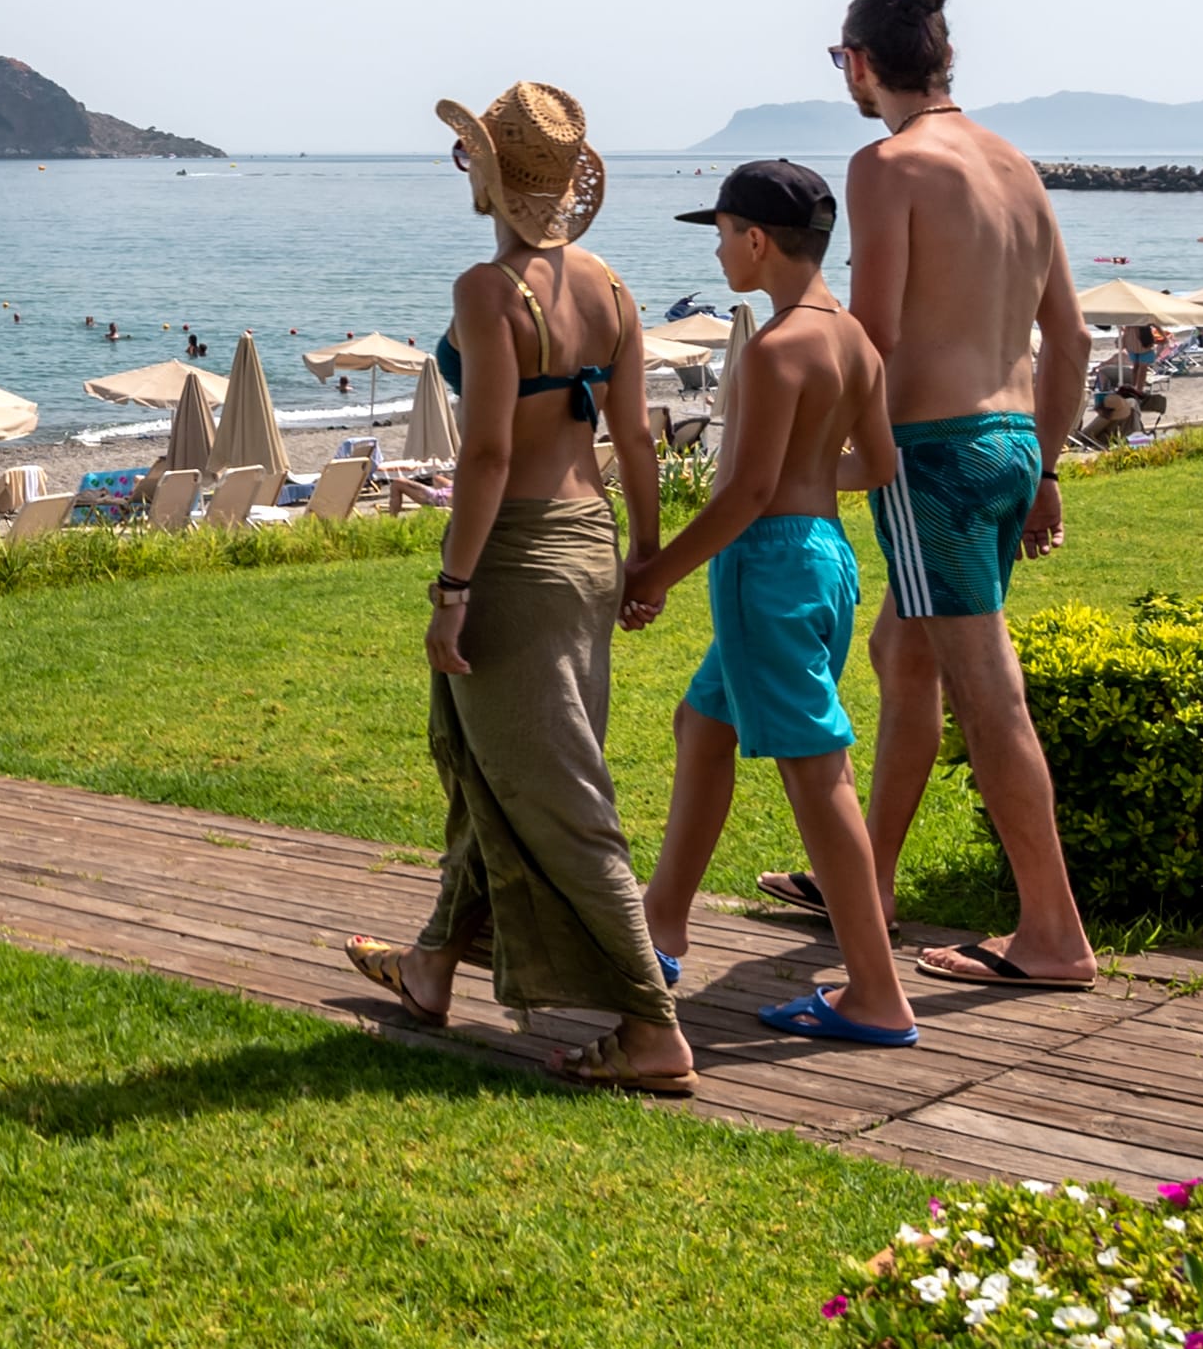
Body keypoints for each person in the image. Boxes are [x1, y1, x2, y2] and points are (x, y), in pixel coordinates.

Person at [336, 84, 690, 1093]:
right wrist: (645, 556)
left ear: (486, 176)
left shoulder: (489, 293)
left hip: (516, 558)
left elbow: (486, 456)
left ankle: (654, 1027)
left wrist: (453, 587)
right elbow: (634, 441)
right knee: (484, 763)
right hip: (589, 543)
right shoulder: (614, 290)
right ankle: (433, 965)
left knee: (561, 793)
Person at [790, 0, 1100, 993]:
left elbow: (872, 341)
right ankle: (866, 885)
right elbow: (1074, 339)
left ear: (864, 64)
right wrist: (1045, 462)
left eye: (842, 61)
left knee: (986, 688)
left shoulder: (886, 165)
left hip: (937, 458)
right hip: (1008, 440)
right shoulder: (1014, 166)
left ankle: (1052, 933)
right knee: (902, 649)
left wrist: (822, 462)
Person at [620, 160, 924, 1045]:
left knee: (814, 766)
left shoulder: (776, 348)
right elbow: (875, 465)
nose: (717, 250)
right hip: (827, 559)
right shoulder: (854, 339)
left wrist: (655, 572)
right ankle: (663, 922)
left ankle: (876, 991)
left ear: (756, 240)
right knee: (702, 723)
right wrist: (802, 478)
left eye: (720, 234)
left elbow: (746, 493)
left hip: (770, 568)